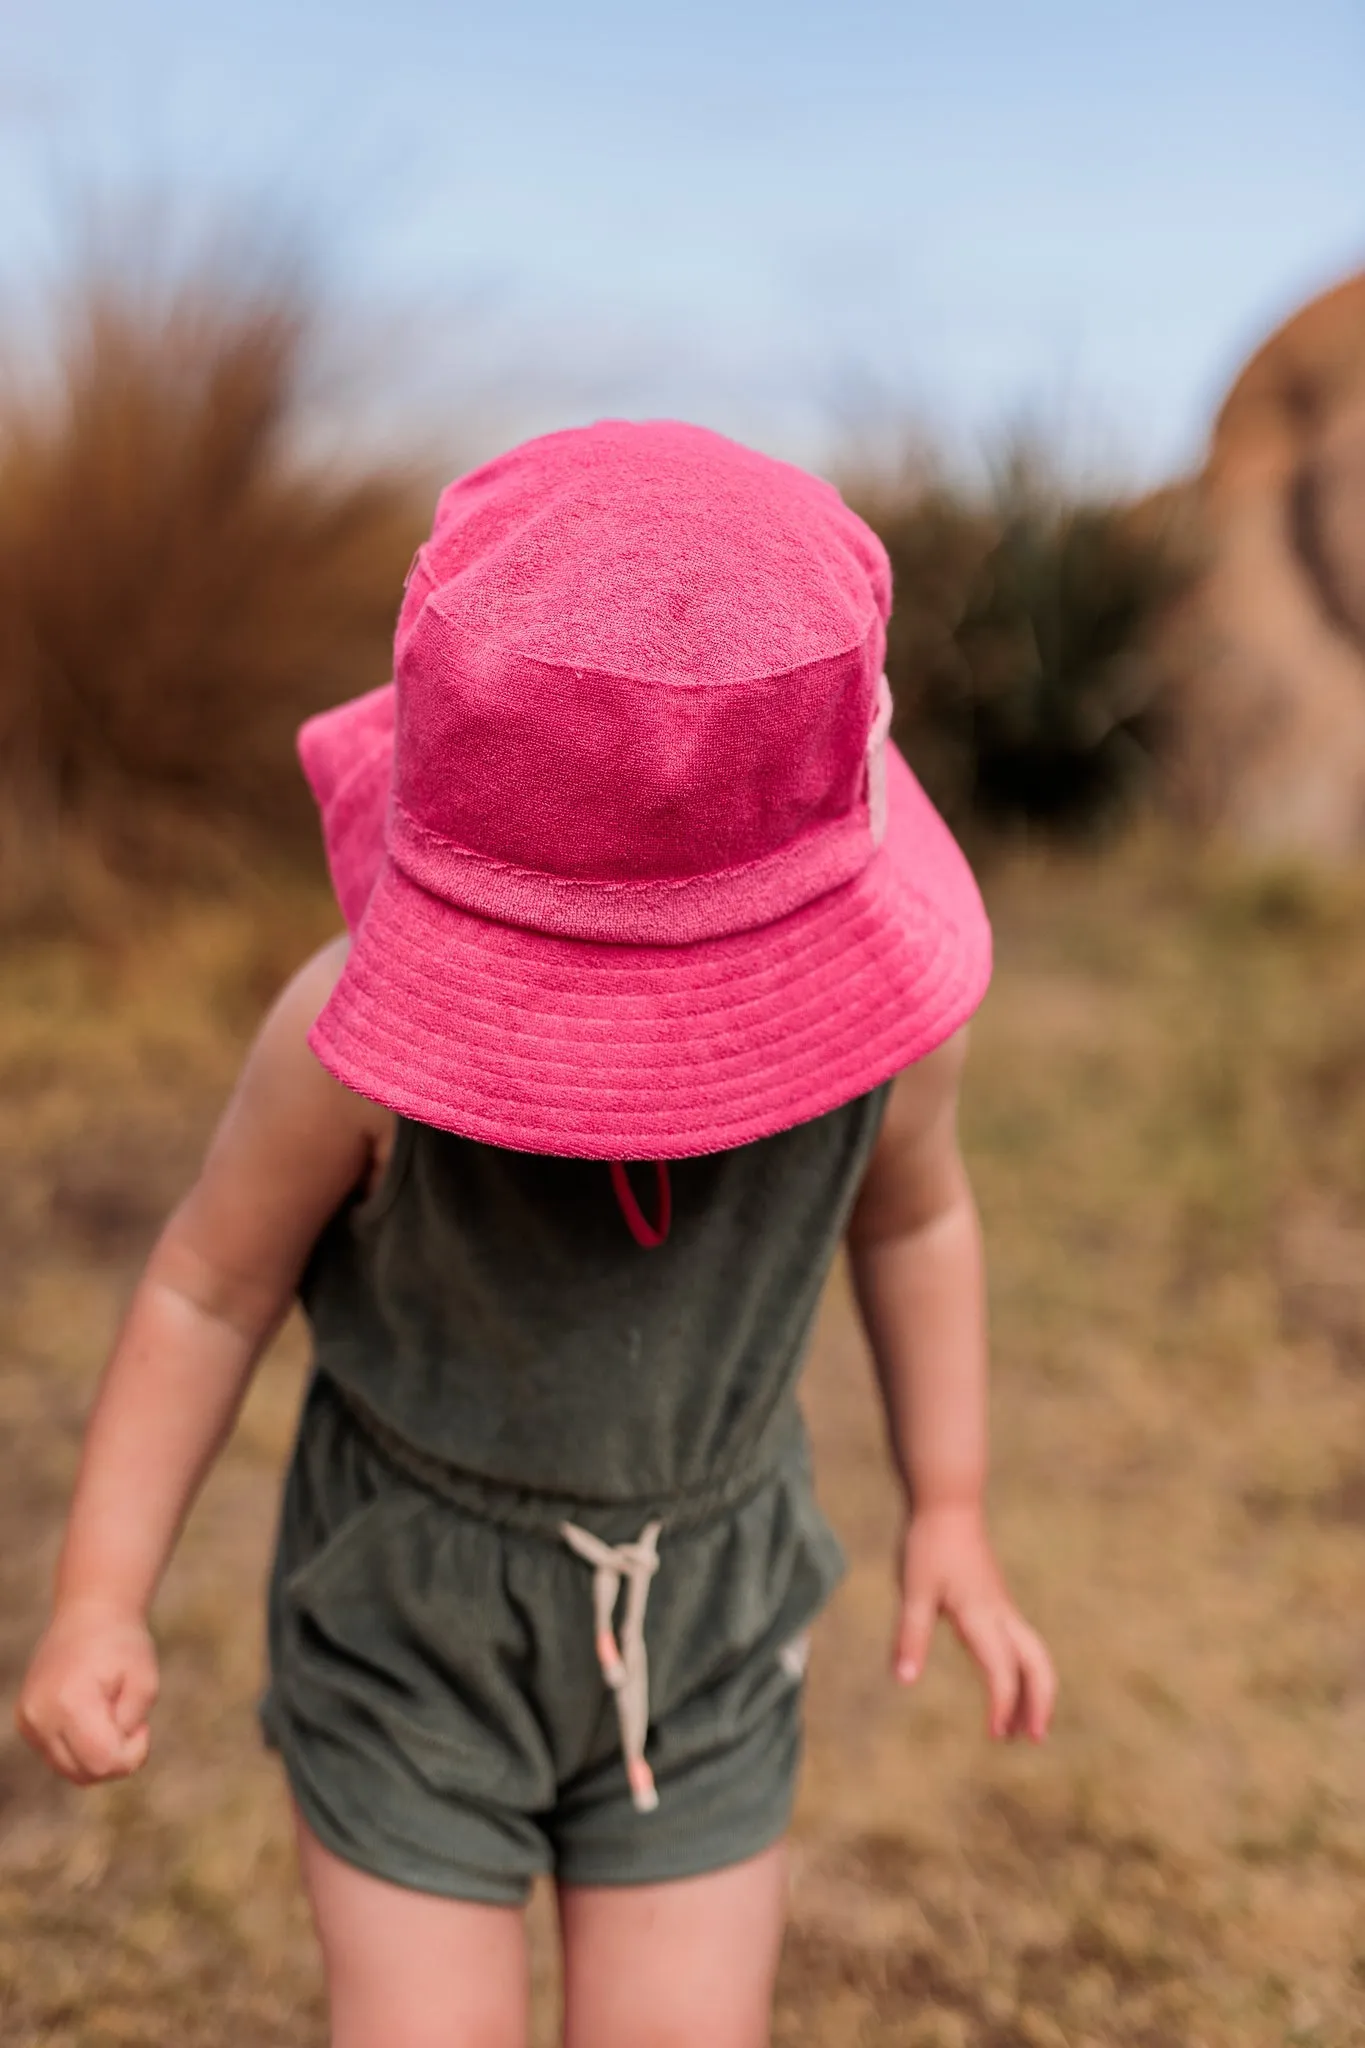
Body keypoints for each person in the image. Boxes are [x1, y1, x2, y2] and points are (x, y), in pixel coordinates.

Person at [16, 420, 1055, 2048]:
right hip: (406, 1635)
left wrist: (955, 1503)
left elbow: (918, 1217)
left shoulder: (891, 1031)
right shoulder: (341, 1038)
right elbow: (210, 1289)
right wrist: (97, 1595)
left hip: (707, 1627)